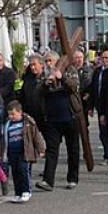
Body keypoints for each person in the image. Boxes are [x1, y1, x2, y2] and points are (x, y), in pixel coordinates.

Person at [35, 51, 81, 191]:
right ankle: (48, 181)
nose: (48, 64)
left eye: (50, 61)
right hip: (52, 118)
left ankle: (72, 178)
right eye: (46, 61)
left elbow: (74, 87)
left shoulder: (70, 70)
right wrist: (45, 84)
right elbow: (37, 91)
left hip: (70, 116)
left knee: (72, 148)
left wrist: (62, 78)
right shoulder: (45, 73)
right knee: (52, 150)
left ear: (57, 60)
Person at [0, 101, 45, 203]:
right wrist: (0, 153)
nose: (11, 116)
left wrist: (41, 148)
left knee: (23, 171)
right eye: (9, 114)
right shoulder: (7, 124)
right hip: (12, 152)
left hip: (24, 152)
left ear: (20, 112)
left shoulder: (28, 122)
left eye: (13, 114)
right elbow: (3, 140)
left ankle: (26, 191)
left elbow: (36, 136)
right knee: (15, 173)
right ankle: (18, 192)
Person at [90, 50, 108, 165]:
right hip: (100, 106)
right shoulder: (97, 72)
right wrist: (91, 106)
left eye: (107, 58)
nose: (105, 60)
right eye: (103, 58)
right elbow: (93, 89)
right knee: (103, 133)